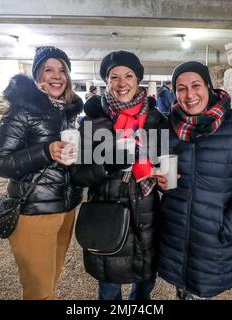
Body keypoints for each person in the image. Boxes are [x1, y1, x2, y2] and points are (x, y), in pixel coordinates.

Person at [156, 61, 232, 300]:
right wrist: (159, 181)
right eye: (181, 88)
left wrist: (227, 227)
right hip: (175, 235)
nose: (189, 94)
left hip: (212, 238)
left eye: (196, 85)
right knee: (181, 291)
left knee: (200, 294)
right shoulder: (169, 126)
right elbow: (157, 168)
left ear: (208, 86)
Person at [0, 46, 83, 300]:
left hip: (66, 210)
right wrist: (45, 151)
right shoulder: (22, 110)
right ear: (38, 75)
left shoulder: (67, 111)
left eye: (62, 70)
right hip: (34, 211)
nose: (56, 75)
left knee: (49, 285)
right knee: (39, 293)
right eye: (48, 69)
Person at [70, 50, 166, 300]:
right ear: (106, 82)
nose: (122, 83)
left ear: (138, 79)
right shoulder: (93, 123)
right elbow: (78, 175)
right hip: (107, 216)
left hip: (147, 217)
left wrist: (165, 178)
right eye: (114, 77)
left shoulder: (156, 119)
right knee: (110, 289)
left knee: (145, 287)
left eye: (129, 75)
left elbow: (164, 163)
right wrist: (107, 165)